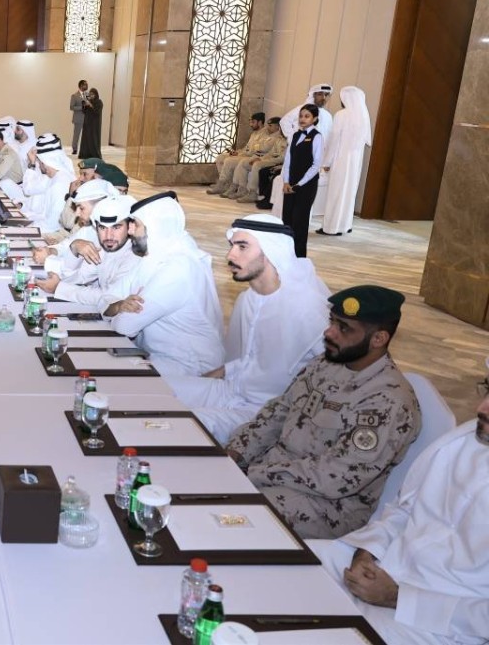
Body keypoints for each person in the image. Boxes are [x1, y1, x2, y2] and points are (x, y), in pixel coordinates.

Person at [307, 370, 489, 645]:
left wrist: (397, 597)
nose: (481, 408)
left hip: (437, 623)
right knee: (285, 565)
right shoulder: (460, 441)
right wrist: (366, 552)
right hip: (384, 565)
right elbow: (404, 510)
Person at [226, 285, 421, 539]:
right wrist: (236, 453)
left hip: (327, 507)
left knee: (229, 520)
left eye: (344, 328)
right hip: (274, 475)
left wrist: (256, 473)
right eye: (333, 321)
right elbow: (278, 412)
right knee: (202, 488)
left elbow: (336, 476)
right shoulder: (327, 363)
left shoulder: (388, 401)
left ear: (378, 339)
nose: (329, 332)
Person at [167, 215, 330, 442]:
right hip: (233, 390)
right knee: (151, 389)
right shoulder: (248, 299)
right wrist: (213, 376)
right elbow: (253, 360)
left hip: (266, 413)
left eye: (242, 247)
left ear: (271, 251)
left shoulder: (307, 309)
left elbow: (336, 374)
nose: (230, 256)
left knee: (176, 426)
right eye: (232, 246)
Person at [109, 191, 224, 377]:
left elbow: (125, 326)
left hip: (189, 367)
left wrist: (117, 309)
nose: (129, 231)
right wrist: (118, 306)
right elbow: (111, 294)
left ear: (156, 227)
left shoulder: (179, 268)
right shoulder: (155, 256)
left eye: (136, 224)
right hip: (158, 357)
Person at [36, 194, 141, 311]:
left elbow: (110, 297)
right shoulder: (106, 247)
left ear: (130, 227)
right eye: (102, 228)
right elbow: (77, 277)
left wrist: (59, 288)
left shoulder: (135, 255)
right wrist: (74, 248)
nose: (109, 236)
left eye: (116, 227)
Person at [318, 86, 372, 236]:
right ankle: (345, 225)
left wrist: (326, 162)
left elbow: (334, 140)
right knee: (349, 193)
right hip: (355, 163)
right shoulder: (363, 116)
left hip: (340, 160)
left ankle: (331, 228)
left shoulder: (341, 115)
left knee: (336, 194)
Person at [281, 104, 326, 257]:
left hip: (306, 185)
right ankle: (286, 253)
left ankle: (299, 256)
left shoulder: (317, 137)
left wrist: (299, 184)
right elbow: (288, 160)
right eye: (301, 116)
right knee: (287, 219)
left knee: (299, 221)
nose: (302, 119)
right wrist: (286, 182)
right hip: (290, 184)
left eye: (307, 116)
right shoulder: (295, 136)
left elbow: (316, 165)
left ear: (315, 118)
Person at [22, 135, 77, 233]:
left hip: (53, 233)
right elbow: (44, 214)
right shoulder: (56, 177)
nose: (38, 164)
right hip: (45, 225)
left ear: (44, 161)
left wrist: (24, 228)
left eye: (38, 160)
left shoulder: (59, 184)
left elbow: (52, 225)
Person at [206, 112, 266, 195]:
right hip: (245, 154)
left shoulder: (265, 134)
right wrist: (237, 152)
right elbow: (246, 148)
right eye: (250, 122)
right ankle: (225, 183)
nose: (251, 124)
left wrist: (240, 154)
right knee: (221, 157)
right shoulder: (254, 133)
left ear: (260, 122)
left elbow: (254, 151)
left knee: (229, 160)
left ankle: (223, 184)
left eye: (253, 122)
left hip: (252, 157)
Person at [233, 118, 286, 204]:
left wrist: (262, 160)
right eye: (281, 127)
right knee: (245, 163)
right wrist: (260, 159)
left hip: (278, 162)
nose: (281, 129)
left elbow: (282, 158)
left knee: (257, 165)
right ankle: (242, 189)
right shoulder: (279, 138)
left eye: (283, 127)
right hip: (269, 159)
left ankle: (253, 193)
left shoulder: (289, 139)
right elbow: (270, 152)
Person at [77, 88, 105, 160]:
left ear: (96, 94)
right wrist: (84, 105)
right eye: (90, 94)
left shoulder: (99, 102)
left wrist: (91, 105)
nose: (91, 95)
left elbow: (97, 112)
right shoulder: (88, 101)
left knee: (93, 139)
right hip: (87, 124)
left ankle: (95, 154)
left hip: (94, 125)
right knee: (86, 139)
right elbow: (84, 111)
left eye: (92, 94)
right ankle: (85, 154)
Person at [69, 80, 88, 151]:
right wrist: (82, 107)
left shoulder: (87, 95)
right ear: (81, 85)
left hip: (87, 118)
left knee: (86, 135)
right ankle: (74, 148)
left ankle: (85, 149)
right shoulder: (74, 96)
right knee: (76, 134)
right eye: (85, 85)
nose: (87, 86)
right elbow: (71, 107)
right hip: (78, 119)